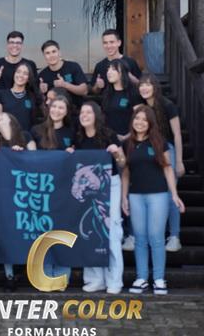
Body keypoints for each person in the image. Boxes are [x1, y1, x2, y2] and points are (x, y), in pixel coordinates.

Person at [121, 105, 185, 296]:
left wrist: (174, 194)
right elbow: (125, 173)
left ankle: (158, 279)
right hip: (135, 196)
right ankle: (141, 278)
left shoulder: (159, 142)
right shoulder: (128, 144)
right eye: (137, 119)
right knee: (140, 238)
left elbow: (168, 169)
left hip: (158, 195)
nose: (140, 122)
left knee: (156, 237)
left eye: (144, 120)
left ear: (150, 123)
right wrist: (124, 197)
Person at [73, 101, 126, 294]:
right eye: (82, 112)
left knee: (112, 232)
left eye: (88, 112)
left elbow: (123, 163)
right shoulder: (78, 138)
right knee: (92, 234)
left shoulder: (109, 135)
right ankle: (95, 279)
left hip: (111, 186)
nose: (84, 115)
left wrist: (117, 153)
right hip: (88, 192)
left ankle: (114, 280)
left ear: (96, 115)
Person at [0, 112, 36, 290]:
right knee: (6, 233)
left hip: (24, 194)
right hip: (3, 194)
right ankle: (9, 275)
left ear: (11, 120)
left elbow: (37, 161)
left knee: (24, 232)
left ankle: (29, 271)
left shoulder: (25, 137)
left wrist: (22, 154)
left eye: (2, 118)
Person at [138, 73, 185, 252]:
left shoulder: (167, 105)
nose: (144, 88)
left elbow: (177, 134)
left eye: (148, 84)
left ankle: (174, 236)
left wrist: (179, 161)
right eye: (141, 85)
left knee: (171, 194)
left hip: (167, 150)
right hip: (147, 152)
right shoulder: (141, 107)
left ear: (155, 87)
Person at [31, 96, 74, 281]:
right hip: (42, 189)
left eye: (61, 108)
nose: (57, 110)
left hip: (64, 188)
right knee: (44, 232)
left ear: (66, 112)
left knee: (62, 231)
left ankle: (62, 275)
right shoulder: (36, 130)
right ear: (49, 108)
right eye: (54, 106)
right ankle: (45, 274)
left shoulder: (72, 132)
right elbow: (29, 157)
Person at [0, 62, 44, 131]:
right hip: (7, 135)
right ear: (14, 74)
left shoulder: (32, 97)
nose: (21, 75)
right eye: (18, 72)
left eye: (25, 73)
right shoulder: (1, 94)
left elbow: (36, 122)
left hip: (27, 136)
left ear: (28, 79)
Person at [38, 40, 88, 108]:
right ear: (44, 56)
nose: (51, 55)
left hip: (75, 111)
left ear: (59, 53)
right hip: (54, 112)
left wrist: (65, 85)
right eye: (47, 53)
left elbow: (84, 91)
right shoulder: (42, 75)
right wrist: (41, 92)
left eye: (54, 51)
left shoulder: (73, 67)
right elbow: (42, 101)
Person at [102, 58, 142, 139]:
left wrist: (128, 136)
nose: (109, 72)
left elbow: (141, 117)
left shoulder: (132, 93)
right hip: (110, 138)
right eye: (108, 69)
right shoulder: (107, 93)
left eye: (113, 69)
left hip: (130, 138)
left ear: (122, 73)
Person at [91, 29, 141, 94]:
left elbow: (141, 85)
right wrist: (97, 86)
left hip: (128, 99)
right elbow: (94, 91)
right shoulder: (99, 66)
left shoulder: (130, 62)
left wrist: (133, 79)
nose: (108, 46)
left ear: (119, 43)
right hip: (107, 100)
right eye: (105, 43)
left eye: (112, 42)